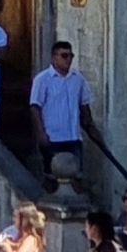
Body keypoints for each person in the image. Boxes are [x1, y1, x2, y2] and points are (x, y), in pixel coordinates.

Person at [30, 41, 95, 169]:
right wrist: (41, 133)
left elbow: (84, 105)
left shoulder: (78, 79)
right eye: (64, 56)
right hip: (53, 138)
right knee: (53, 176)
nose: (68, 59)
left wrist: (90, 126)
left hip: (73, 137)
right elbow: (35, 107)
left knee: (76, 175)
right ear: (54, 57)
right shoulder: (42, 79)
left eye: (71, 56)